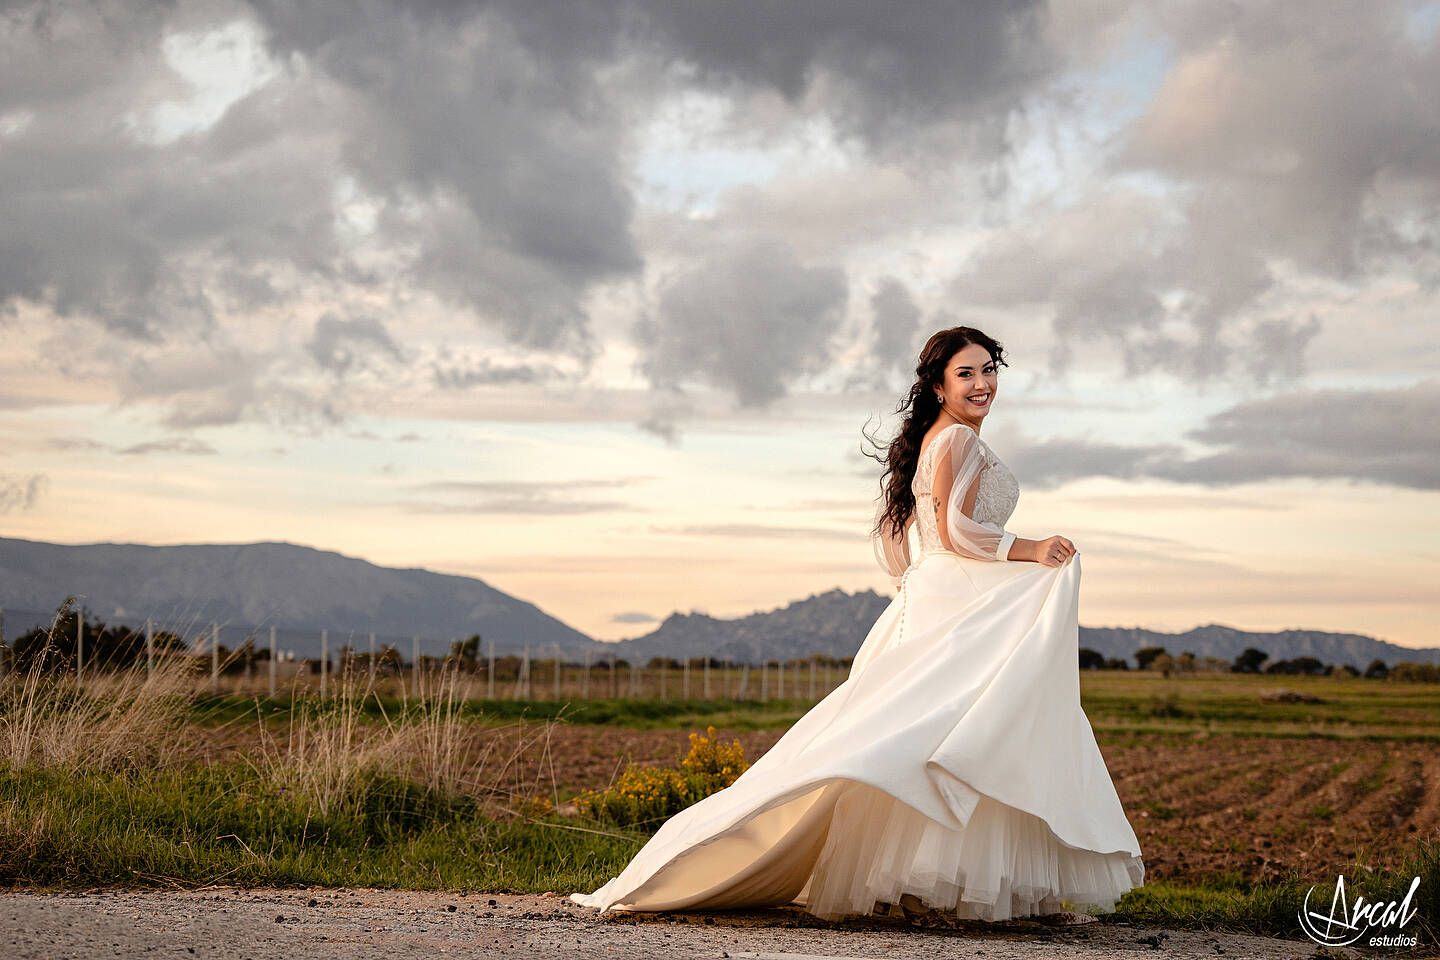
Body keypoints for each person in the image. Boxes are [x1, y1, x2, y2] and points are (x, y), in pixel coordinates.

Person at [570, 326, 1145, 926]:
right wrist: (1031, 547)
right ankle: (941, 888)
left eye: (989, 370)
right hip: (960, 596)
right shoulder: (957, 443)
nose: (982, 385)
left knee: (950, 733)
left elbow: (899, 536)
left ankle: (959, 889)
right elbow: (953, 532)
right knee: (972, 731)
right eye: (966, 374)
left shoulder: (934, 439)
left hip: (944, 595)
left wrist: (915, 583)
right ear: (939, 386)